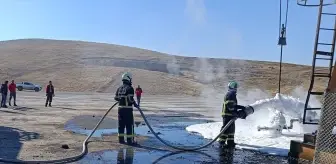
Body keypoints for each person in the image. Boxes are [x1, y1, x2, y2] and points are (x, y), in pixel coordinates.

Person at [218, 81, 246, 148]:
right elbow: (229, 105)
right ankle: (221, 142)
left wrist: (240, 107)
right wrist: (234, 113)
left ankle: (230, 142)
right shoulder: (230, 94)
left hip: (231, 115)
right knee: (226, 128)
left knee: (232, 129)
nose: (236, 89)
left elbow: (233, 105)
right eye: (234, 87)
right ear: (231, 87)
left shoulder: (232, 94)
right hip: (227, 115)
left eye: (236, 87)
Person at [114, 72, 139, 145]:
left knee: (121, 125)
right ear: (128, 78)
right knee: (129, 125)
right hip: (127, 110)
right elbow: (130, 99)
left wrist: (121, 99)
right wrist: (135, 104)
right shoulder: (130, 88)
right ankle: (129, 141)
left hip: (120, 109)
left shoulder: (119, 88)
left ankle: (121, 140)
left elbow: (115, 98)